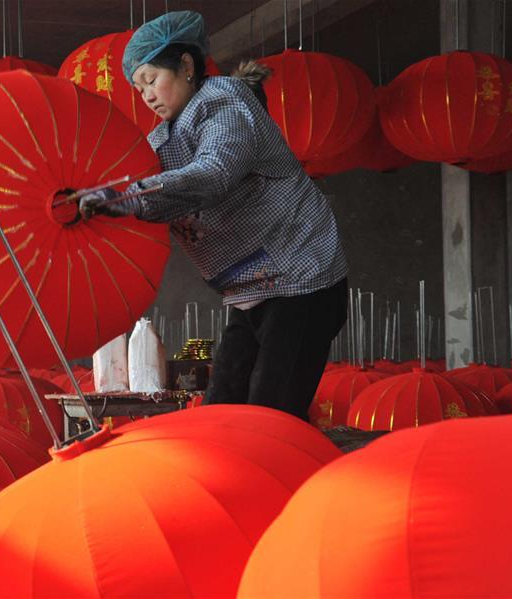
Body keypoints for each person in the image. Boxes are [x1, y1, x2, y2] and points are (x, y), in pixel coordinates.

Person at [79, 10, 348, 422]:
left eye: (152, 79)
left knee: (269, 415)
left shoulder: (224, 103)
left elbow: (215, 172)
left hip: (300, 281)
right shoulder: (162, 138)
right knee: (221, 409)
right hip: (249, 292)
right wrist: (102, 205)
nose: (147, 95)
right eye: (139, 88)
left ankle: (284, 482)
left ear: (186, 66)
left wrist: (123, 197)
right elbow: (157, 198)